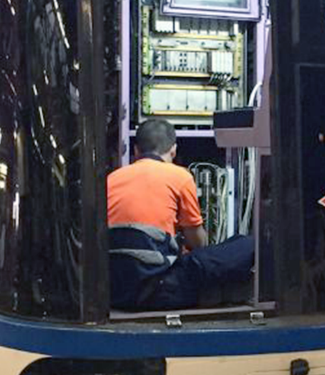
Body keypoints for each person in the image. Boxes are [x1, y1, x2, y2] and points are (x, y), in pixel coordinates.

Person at [106, 118, 254, 310]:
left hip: (117, 289)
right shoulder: (180, 176)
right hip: (160, 287)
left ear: (135, 151)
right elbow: (198, 243)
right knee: (246, 243)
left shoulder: (111, 179)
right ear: (173, 150)